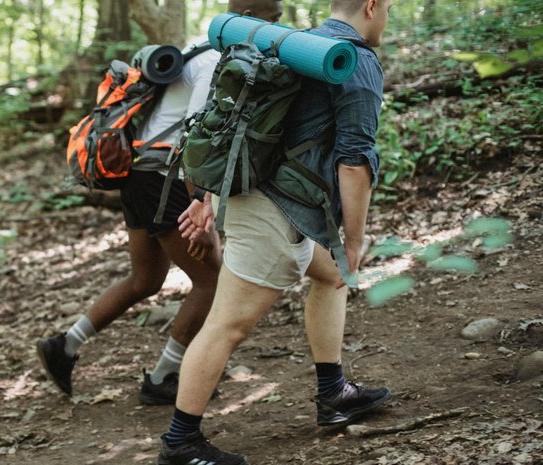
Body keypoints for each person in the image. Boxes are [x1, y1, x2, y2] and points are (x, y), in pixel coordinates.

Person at [158, 0, 394, 463]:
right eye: (388, 8)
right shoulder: (354, 61)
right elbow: (354, 162)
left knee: (331, 276)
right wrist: (352, 240)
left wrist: (209, 197)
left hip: (259, 197)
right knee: (227, 324)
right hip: (276, 213)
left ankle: (334, 393)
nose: (387, 17)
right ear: (371, 6)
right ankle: (180, 443)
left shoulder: (297, 45)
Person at [37, 0, 285, 406]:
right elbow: (194, 140)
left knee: (146, 279)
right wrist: (201, 212)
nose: (279, 30)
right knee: (212, 281)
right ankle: (164, 376)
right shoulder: (216, 61)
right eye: (274, 21)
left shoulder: (200, 45)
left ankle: (64, 345)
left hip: (140, 174)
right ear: (250, 20)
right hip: (162, 180)